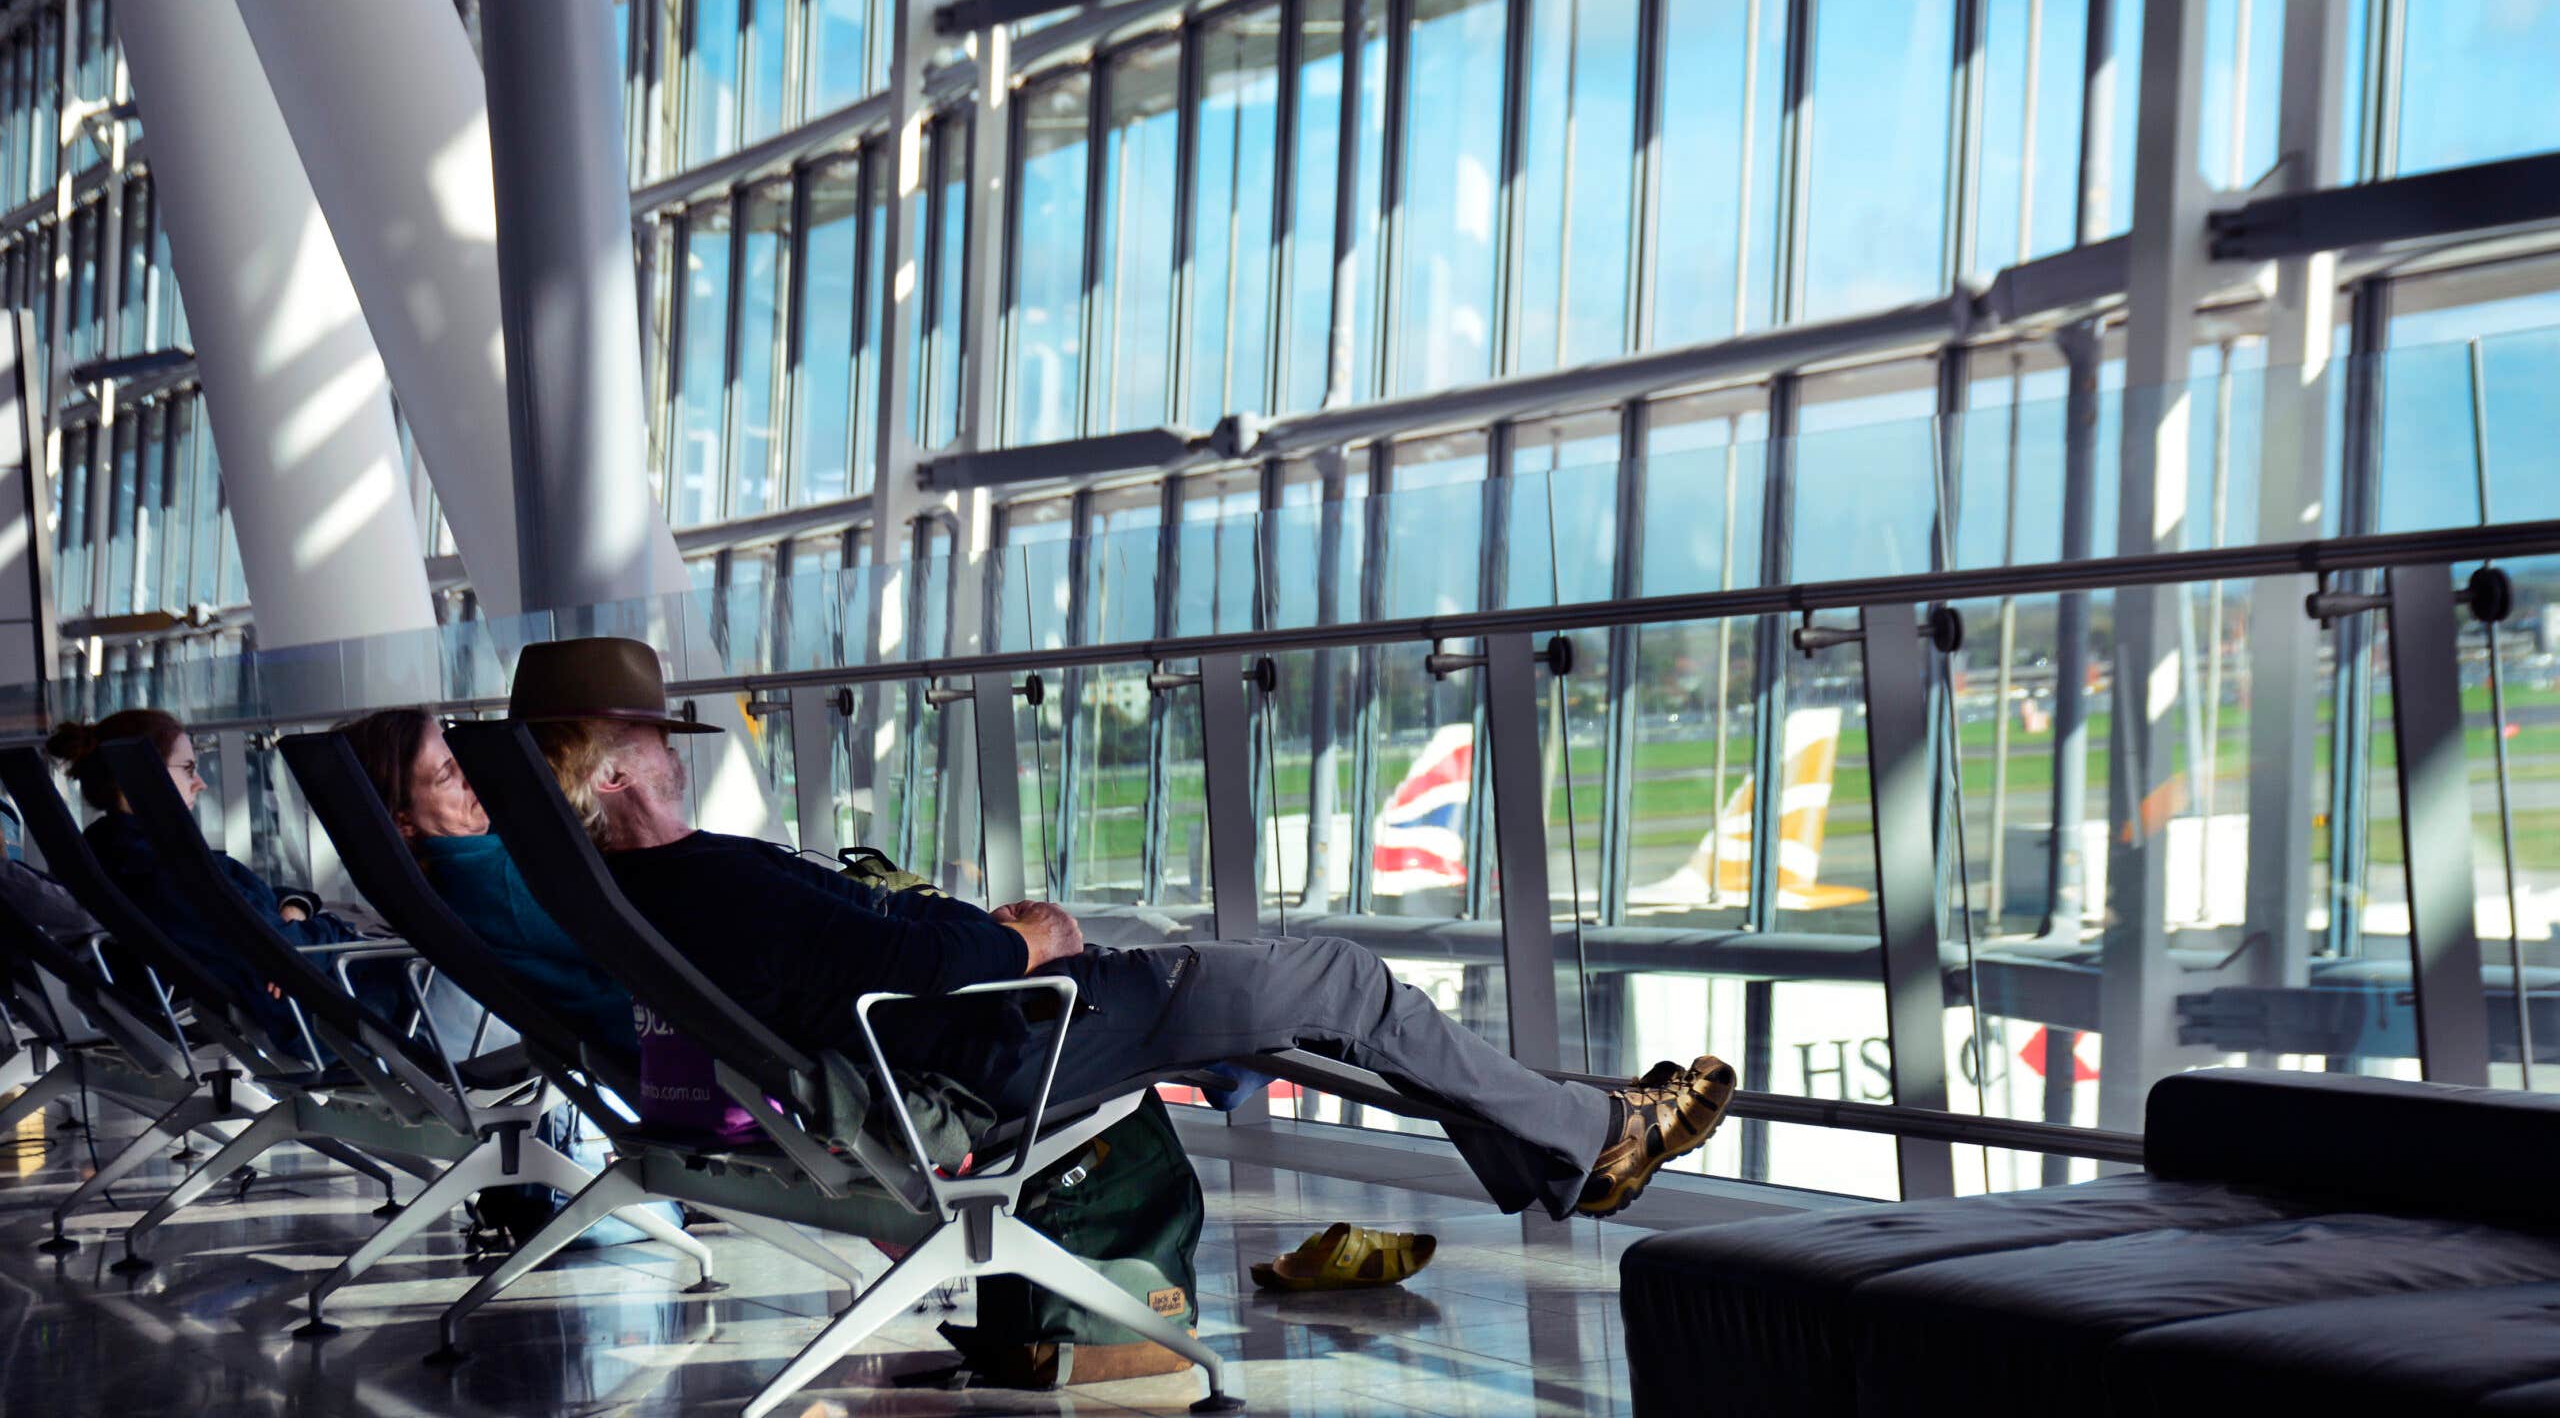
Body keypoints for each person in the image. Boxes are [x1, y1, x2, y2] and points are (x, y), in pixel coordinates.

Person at [512, 637, 1735, 1221]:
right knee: (1340, 982)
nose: (675, 752)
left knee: (1298, 1018)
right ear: (614, 773)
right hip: (1002, 1042)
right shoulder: (708, 884)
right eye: (657, 739)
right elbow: (914, 963)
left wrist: (971, 942)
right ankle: (1585, 1132)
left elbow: (858, 956)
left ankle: (1574, 1140)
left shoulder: (650, 894)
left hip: (962, 1034)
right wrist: (1025, 943)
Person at [46, 710, 414, 1053]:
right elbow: (279, 952)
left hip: (303, 983)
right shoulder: (164, 871)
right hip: (332, 1016)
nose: (200, 783)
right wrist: (316, 933)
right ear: (138, 777)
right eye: (188, 769)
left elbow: (262, 923)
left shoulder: (109, 854)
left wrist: (296, 910)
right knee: (418, 967)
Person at [334, 708, 634, 1066]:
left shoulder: (442, 875)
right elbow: (628, 941)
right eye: (447, 775)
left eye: (458, 758)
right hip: (643, 1034)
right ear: (405, 821)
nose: (468, 775)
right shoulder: (498, 880)